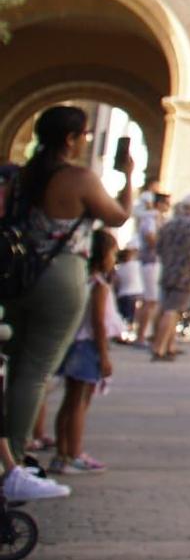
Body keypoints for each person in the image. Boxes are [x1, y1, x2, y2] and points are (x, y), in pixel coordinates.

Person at [3, 106, 129, 462]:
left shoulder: (22, 176)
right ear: (70, 139)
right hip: (61, 275)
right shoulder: (78, 178)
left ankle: (9, 451)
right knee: (36, 371)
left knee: (15, 366)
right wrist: (129, 177)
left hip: (19, 274)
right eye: (83, 135)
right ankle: (12, 459)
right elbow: (118, 215)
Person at [51, 229, 122, 474]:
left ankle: (63, 453)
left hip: (74, 344)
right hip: (88, 346)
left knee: (69, 402)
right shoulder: (99, 286)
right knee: (80, 403)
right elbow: (98, 323)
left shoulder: (83, 280)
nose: (115, 258)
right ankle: (74, 452)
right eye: (113, 253)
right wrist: (104, 355)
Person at [151, 200, 190, 360]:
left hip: (167, 269)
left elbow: (158, 247)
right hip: (186, 272)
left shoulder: (168, 225)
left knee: (165, 306)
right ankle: (160, 347)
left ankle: (169, 345)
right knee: (172, 310)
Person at [130, 185, 165, 345]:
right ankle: (141, 336)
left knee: (150, 300)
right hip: (150, 261)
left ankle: (143, 334)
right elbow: (151, 239)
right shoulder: (150, 219)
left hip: (152, 260)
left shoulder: (153, 218)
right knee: (150, 300)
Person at [113, 246, 145, 338]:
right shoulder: (135, 265)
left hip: (122, 294)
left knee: (123, 315)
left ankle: (120, 334)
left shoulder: (119, 269)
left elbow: (116, 283)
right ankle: (128, 334)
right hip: (134, 294)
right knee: (130, 316)